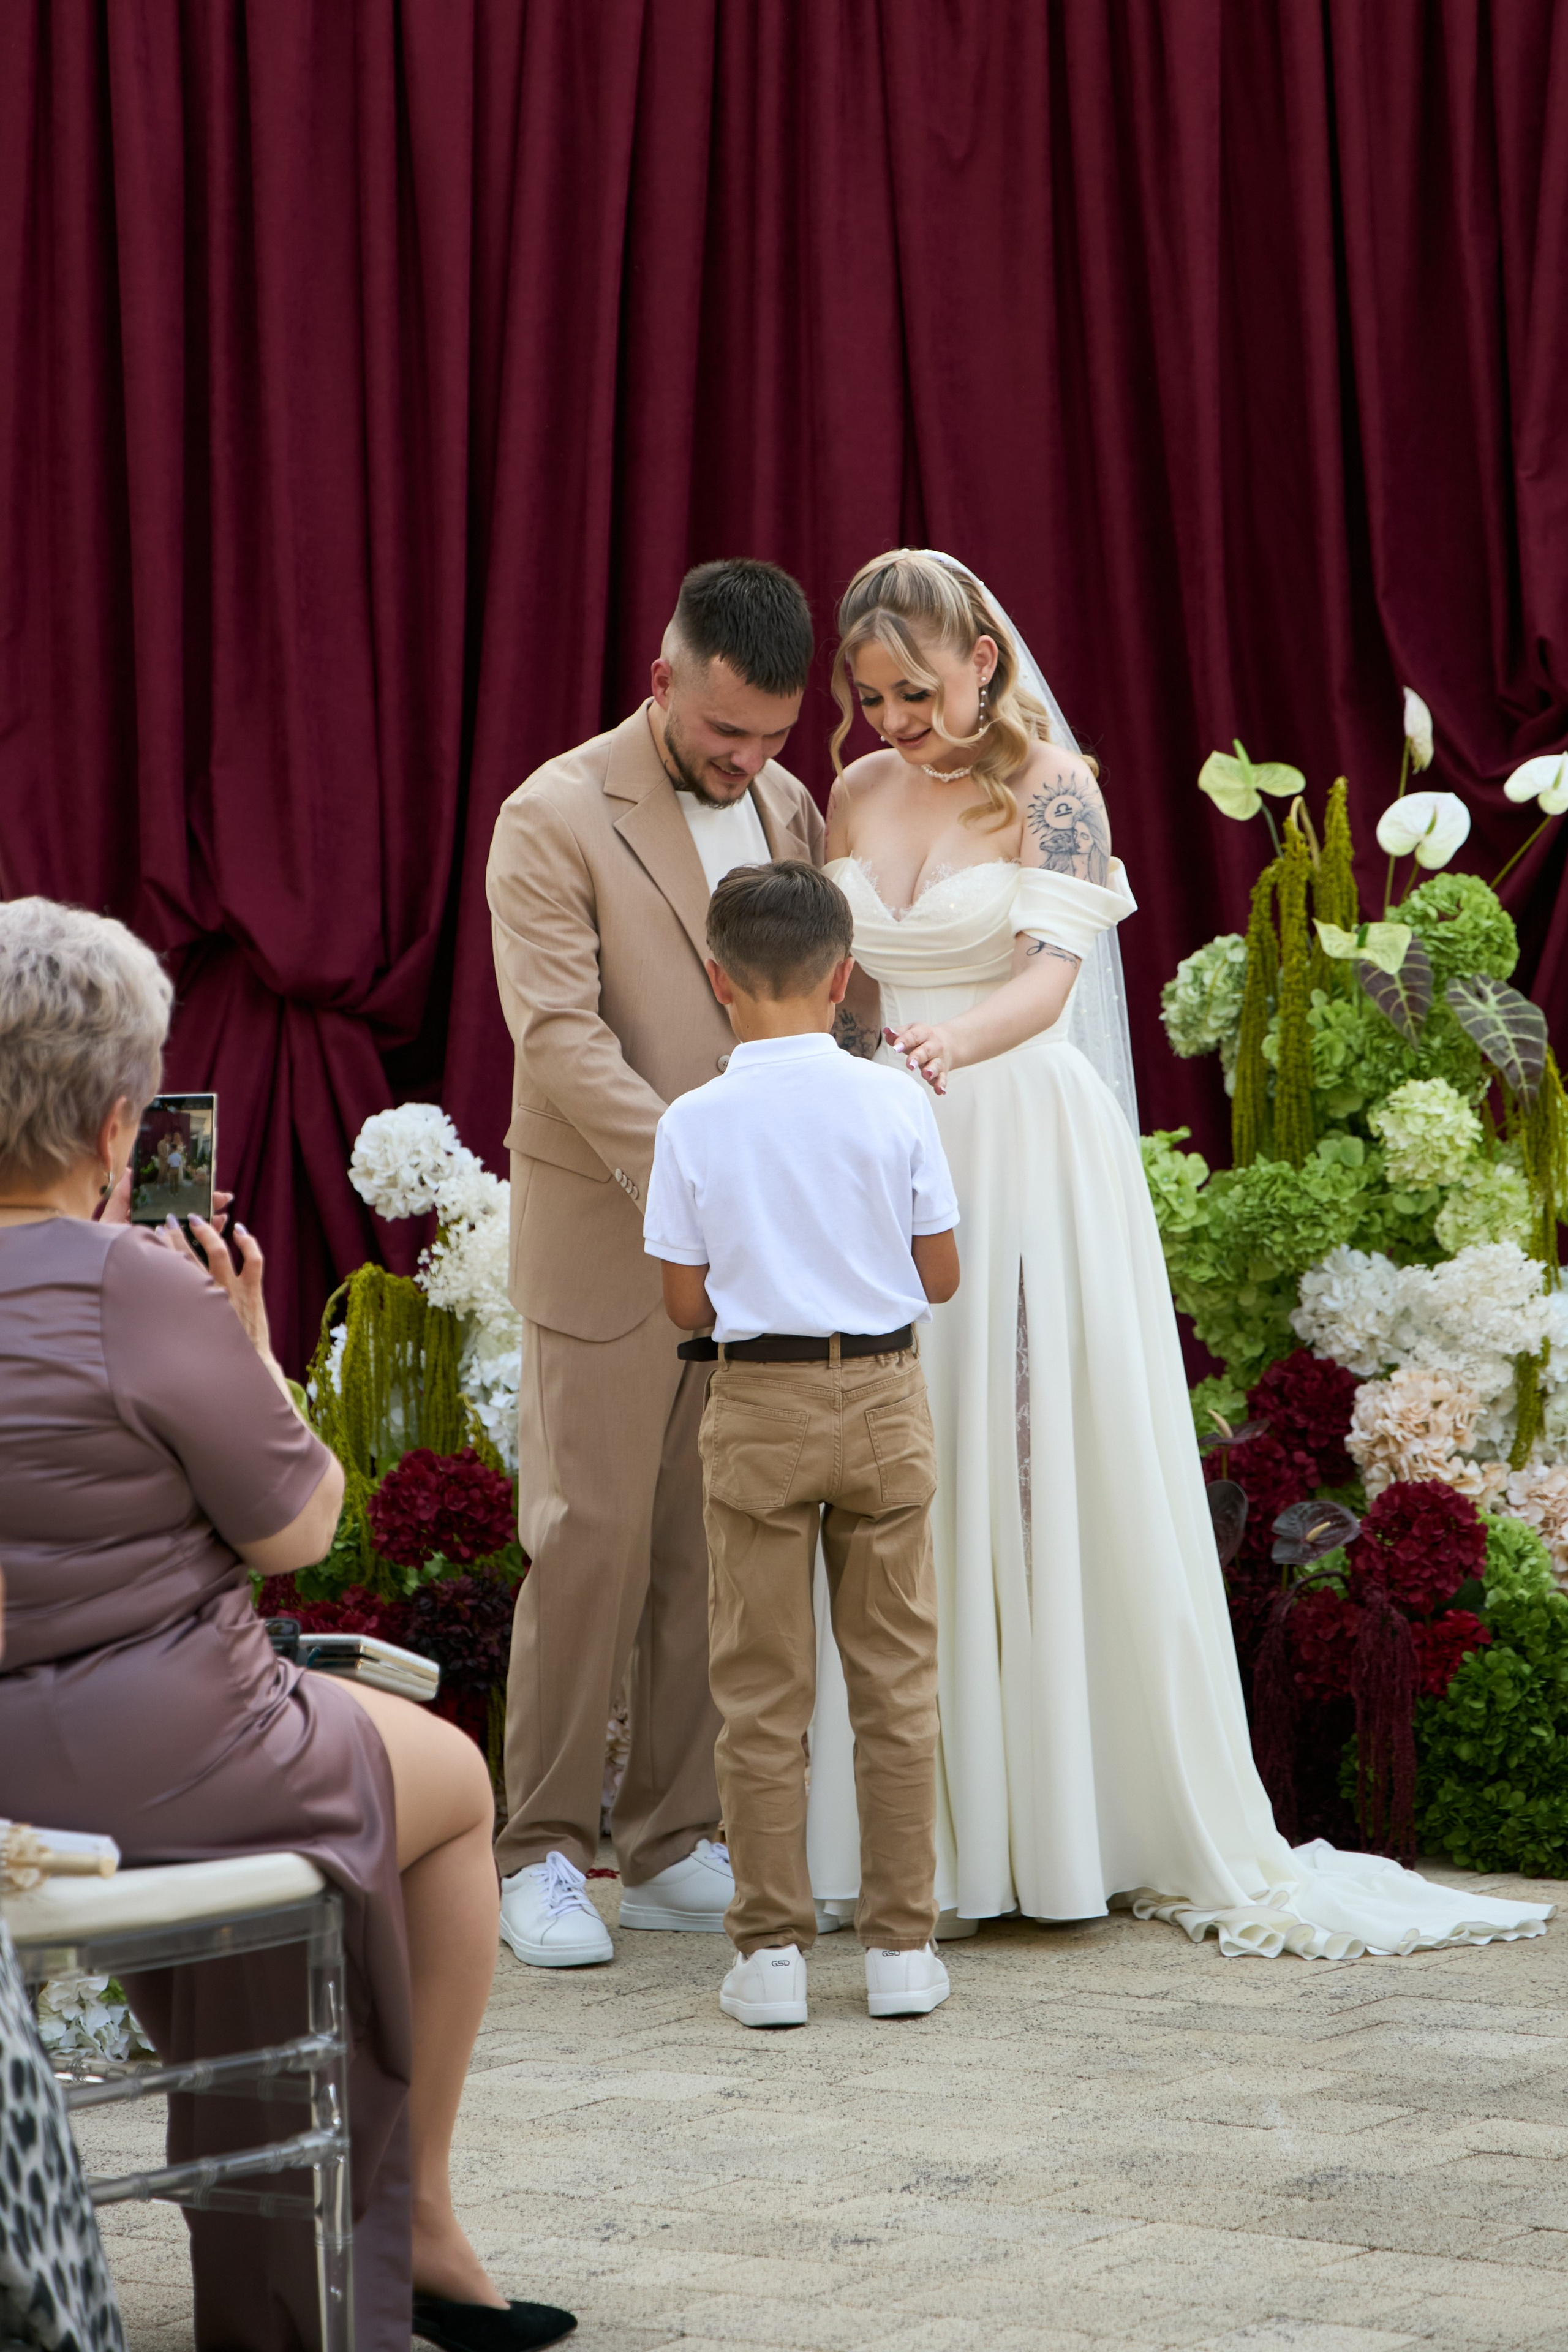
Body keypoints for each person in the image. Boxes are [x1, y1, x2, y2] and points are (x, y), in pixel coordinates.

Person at [805, 548, 1555, 1962]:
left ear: (979, 657)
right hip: (892, 1143)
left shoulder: (1056, 788)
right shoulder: (850, 794)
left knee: (1029, 1453)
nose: (892, 719)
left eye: (912, 689)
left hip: (1018, 1133)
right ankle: (921, 1828)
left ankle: (1068, 1818)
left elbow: (1048, 974)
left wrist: (949, 1046)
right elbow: (846, 991)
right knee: (911, 1458)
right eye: (866, 696)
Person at [0, 899, 576, 2352]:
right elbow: (299, 1531)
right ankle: (417, 2216)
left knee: (293, 1782)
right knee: (447, 1787)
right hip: (158, 1748)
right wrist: (247, 1353)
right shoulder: (140, 1288)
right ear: (123, 1123)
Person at [486, 559, 824, 1969]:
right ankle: (543, 1851)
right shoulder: (550, 814)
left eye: (768, 737)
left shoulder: (790, 807)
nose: (744, 760)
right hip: (615, 1240)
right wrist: (705, 1163)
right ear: (662, 678)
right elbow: (558, 1038)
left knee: (715, 1546)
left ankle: (679, 1837)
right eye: (723, 732)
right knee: (589, 1542)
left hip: (757, 1251)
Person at [644, 864, 960, 2028]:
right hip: (880, 1394)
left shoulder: (692, 1120)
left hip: (760, 1407)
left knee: (762, 1693)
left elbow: (686, 1306)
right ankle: (901, 1952)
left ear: (717, 979)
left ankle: (771, 1955)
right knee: (895, 1682)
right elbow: (942, 1274)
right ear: (844, 979)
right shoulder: (895, 1102)